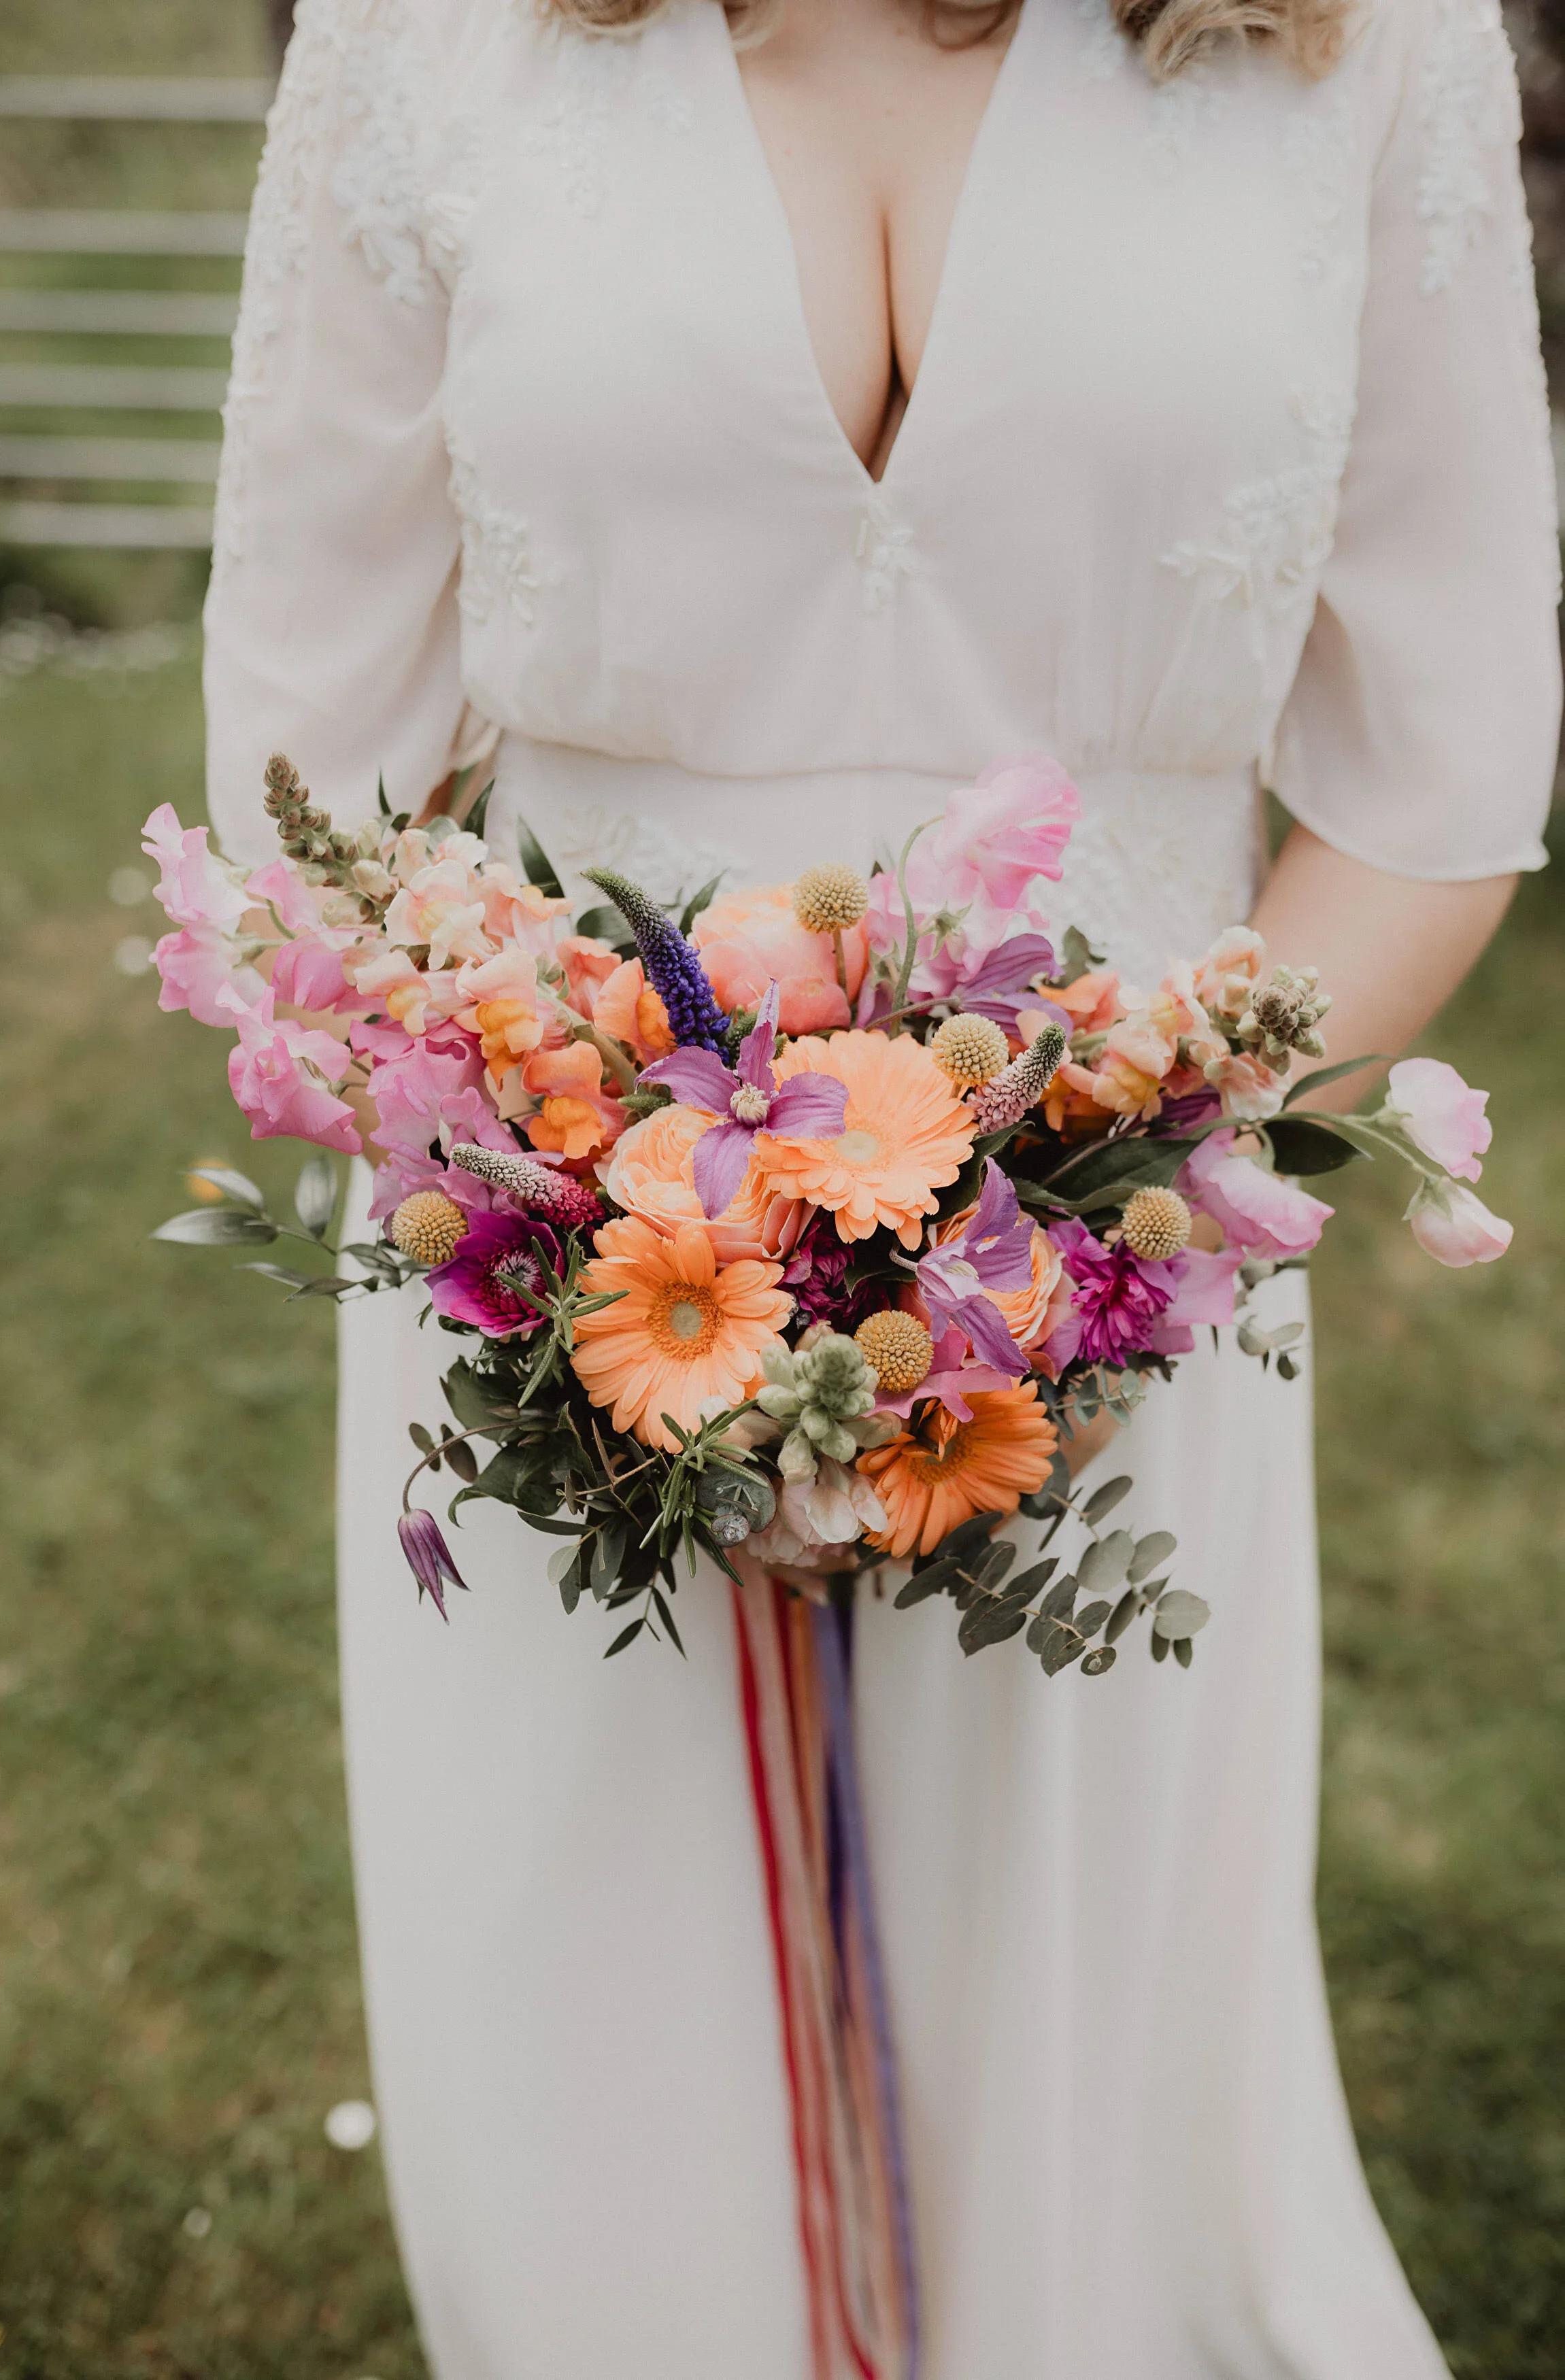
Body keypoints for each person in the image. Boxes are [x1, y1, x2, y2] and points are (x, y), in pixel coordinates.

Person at [203, 0, 1559, 2371]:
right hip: (559, 1271)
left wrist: (1089, 1228)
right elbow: (307, 770)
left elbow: (1438, 767)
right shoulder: (425, 36)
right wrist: (570, 1226)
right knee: (605, 2071)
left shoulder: (1370, 46)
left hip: (1128, 1266)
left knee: (1089, 2077)